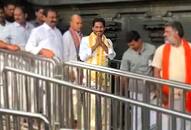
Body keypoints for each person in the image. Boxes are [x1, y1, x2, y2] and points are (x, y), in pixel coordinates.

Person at [152, 21, 191, 130]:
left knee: (186, 125)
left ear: (176, 32)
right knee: (168, 125)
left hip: (188, 96)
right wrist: (160, 92)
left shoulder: (190, 48)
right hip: (168, 96)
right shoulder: (161, 50)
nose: (164, 34)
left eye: (167, 32)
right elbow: (156, 73)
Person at [79, 17, 116, 130]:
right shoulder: (85, 40)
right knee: (91, 107)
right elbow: (82, 57)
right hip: (91, 78)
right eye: (97, 27)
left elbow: (112, 55)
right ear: (92, 28)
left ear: (104, 28)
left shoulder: (108, 41)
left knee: (106, 107)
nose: (99, 29)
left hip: (104, 79)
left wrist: (102, 44)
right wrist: (95, 45)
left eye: (101, 27)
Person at [120, 30, 156, 130]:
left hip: (151, 90)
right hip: (135, 90)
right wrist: (126, 92)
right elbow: (124, 75)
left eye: (133, 44)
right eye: (129, 45)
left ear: (139, 40)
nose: (131, 47)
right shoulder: (126, 55)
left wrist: (157, 88)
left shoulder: (152, 50)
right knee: (137, 116)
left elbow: (156, 69)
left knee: (153, 116)